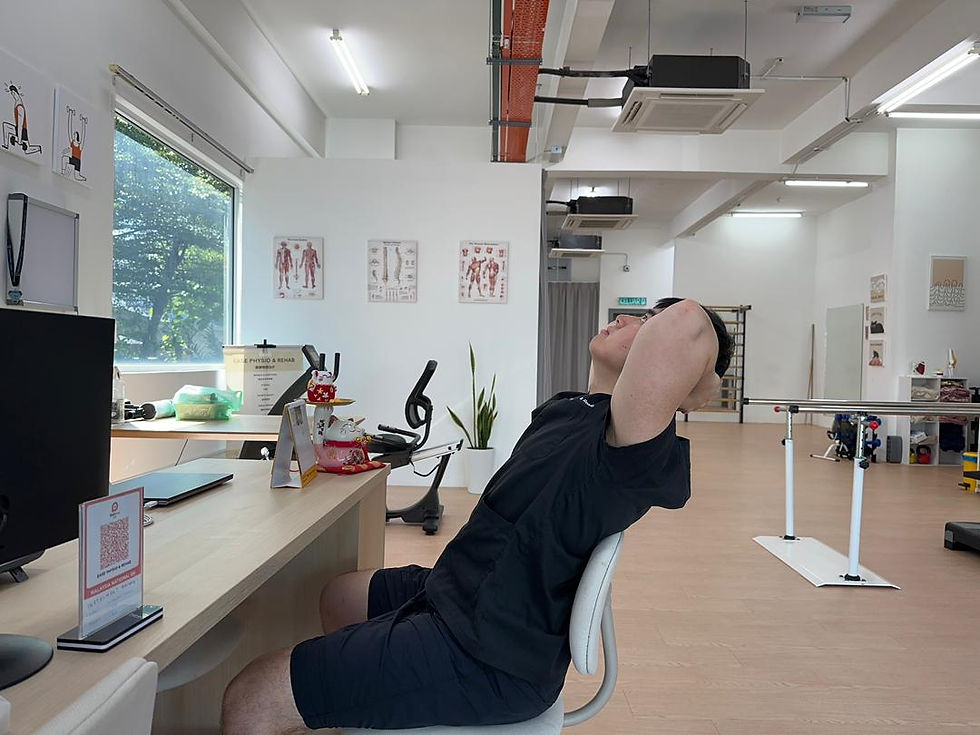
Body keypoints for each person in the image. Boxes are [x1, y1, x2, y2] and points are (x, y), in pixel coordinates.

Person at [220, 297, 733, 734]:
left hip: (491, 653)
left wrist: (699, 387)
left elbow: (687, 321)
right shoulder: (570, 410)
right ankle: (355, 704)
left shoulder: (630, 447)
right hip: (462, 592)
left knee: (249, 696)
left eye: (646, 320)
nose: (625, 318)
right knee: (340, 594)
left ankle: (325, 693)